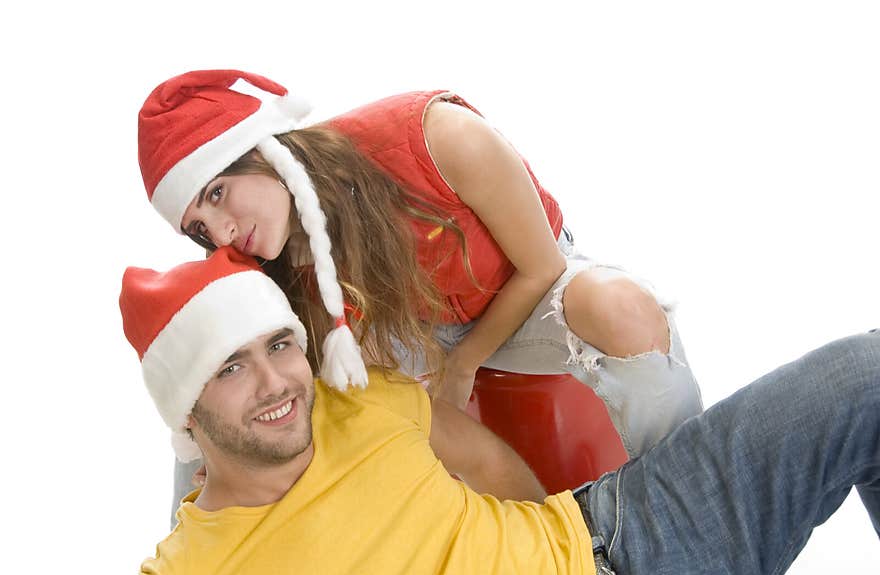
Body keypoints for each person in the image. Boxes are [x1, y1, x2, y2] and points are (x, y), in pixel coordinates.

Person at [121, 247, 879, 575]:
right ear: (185, 409)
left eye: (280, 344)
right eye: (229, 367)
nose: (276, 381)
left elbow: (488, 467)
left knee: (868, 375)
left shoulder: (363, 396)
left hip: (627, 538)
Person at [136, 70, 704, 516]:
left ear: (263, 149)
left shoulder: (435, 137)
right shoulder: (266, 258)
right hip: (412, 337)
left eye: (217, 193)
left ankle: (690, 496)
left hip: (528, 296)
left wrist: (462, 368)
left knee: (620, 308)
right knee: (209, 380)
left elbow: (540, 267)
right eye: (199, 229)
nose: (223, 232)